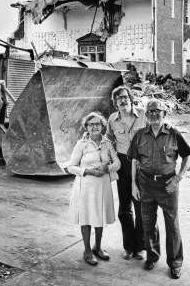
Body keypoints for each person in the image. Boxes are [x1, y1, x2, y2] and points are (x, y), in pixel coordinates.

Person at [127, 99, 190, 280]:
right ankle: (152, 256)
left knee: (172, 226)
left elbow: (187, 156)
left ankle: (175, 263)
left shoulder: (174, 134)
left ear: (164, 114)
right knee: (148, 224)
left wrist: (178, 178)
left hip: (167, 186)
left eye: (158, 112)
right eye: (150, 112)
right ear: (146, 115)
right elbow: (134, 160)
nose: (154, 115)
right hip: (145, 184)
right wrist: (133, 184)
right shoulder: (140, 135)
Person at [66, 112, 121, 266]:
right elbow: (70, 167)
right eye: (91, 124)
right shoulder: (81, 144)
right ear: (87, 127)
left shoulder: (107, 143)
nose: (95, 127)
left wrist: (107, 167)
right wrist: (88, 171)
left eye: (98, 124)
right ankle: (87, 250)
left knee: (99, 216)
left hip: (102, 186)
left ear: (103, 126)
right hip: (86, 186)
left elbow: (117, 163)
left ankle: (98, 247)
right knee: (86, 217)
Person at [106, 85, 150, 260]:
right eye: (118, 99)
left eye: (125, 97)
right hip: (123, 164)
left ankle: (140, 246)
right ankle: (129, 247)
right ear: (115, 103)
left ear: (131, 98)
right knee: (124, 208)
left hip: (141, 164)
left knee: (140, 207)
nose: (122, 101)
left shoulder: (143, 115)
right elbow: (109, 138)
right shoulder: (112, 119)